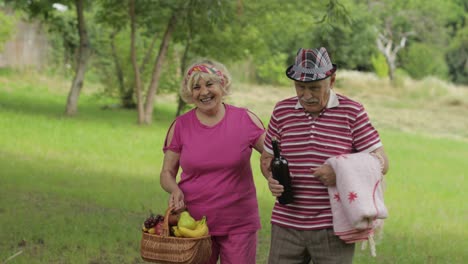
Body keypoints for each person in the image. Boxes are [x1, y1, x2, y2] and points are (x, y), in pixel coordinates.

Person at [260, 47, 389, 264]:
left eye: (314, 87)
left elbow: (382, 162)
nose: (306, 95)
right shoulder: (282, 111)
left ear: (332, 81)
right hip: (286, 223)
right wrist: (271, 178)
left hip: (334, 226)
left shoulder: (352, 112)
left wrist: (341, 172)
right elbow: (266, 159)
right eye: (300, 87)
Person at [160, 59, 265, 264]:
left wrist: (272, 171)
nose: (203, 92)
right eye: (196, 87)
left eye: (210, 84)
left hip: (239, 223)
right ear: (190, 93)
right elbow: (166, 173)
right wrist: (174, 189)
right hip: (193, 225)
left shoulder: (245, 119)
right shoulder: (180, 126)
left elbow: (273, 154)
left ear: (222, 85)